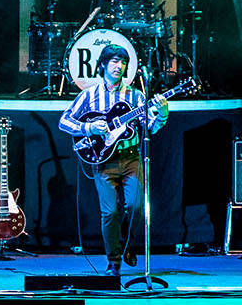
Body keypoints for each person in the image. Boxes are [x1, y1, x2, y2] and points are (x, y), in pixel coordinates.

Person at [57, 43, 170, 275]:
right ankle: (113, 261)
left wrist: (163, 114)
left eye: (123, 63)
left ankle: (126, 243)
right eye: (114, 61)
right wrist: (88, 128)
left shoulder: (136, 96)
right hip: (103, 161)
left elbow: (149, 127)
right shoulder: (89, 95)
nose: (119, 66)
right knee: (109, 212)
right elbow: (64, 122)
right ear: (103, 65)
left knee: (136, 206)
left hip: (131, 159)